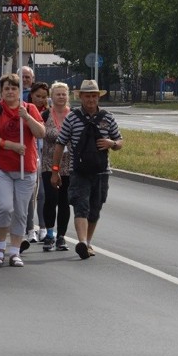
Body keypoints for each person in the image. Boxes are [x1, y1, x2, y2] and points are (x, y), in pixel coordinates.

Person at [50, 79, 123, 260]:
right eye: (87, 96)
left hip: (101, 171)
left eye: (94, 96)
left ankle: (88, 242)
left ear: (98, 97)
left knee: (95, 209)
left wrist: (112, 143)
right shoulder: (72, 118)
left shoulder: (107, 117)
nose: (91, 99)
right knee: (80, 205)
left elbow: (119, 141)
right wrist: (55, 170)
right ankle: (82, 242)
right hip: (79, 171)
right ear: (80, 97)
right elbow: (60, 144)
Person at [0, 73, 45, 267]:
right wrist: (10, 145)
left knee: (20, 212)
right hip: (3, 168)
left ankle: (15, 251)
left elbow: (41, 132)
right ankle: (0, 245)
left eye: (14, 88)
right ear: (1, 91)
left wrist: (27, 118)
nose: (10, 92)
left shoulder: (30, 109)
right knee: (5, 207)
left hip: (27, 168)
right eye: (6, 88)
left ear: (19, 91)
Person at [40, 82, 72, 252]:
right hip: (49, 163)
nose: (61, 97)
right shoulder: (45, 115)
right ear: (51, 97)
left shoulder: (73, 115)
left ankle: (61, 236)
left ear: (68, 96)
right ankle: (49, 233)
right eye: (57, 94)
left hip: (69, 163)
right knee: (51, 199)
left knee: (64, 201)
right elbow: (40, 133)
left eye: (63, 94)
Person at [27, 81, 51, 243]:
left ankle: (43, 226)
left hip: (44, 157)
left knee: (43, 193)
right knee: (30, 194)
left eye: (44, 97)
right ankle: (29, 229)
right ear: (31, 96)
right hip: (29, 155)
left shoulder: (49, 114)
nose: (41, 100)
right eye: (38, 96)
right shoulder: (26, 110)